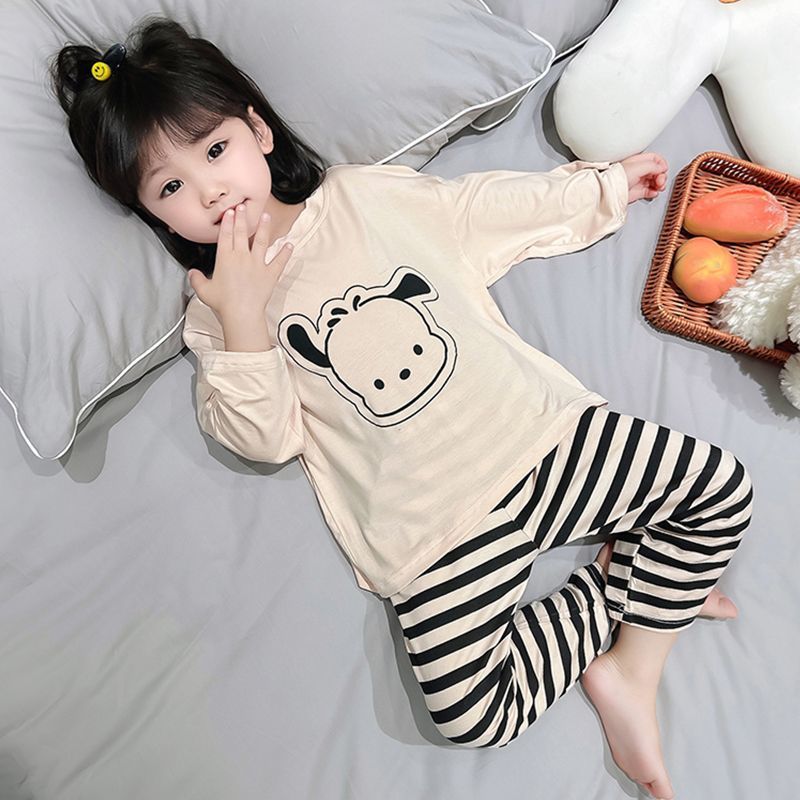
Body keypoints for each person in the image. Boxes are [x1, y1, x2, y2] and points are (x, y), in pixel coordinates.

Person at [50, 17, 753, 800]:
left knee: (720, 488)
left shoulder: (359, 197)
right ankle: (623, 582)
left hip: (542, 438)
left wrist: (599, 189)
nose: (209, 190)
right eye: (170, 188)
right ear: (154, 216)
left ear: (259, 132)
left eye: (215, 150)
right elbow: (264, 437)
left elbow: (480, 212)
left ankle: (632, 672)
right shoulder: (213, 318)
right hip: (429, 531)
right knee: (472, 711)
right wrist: (245, 321)